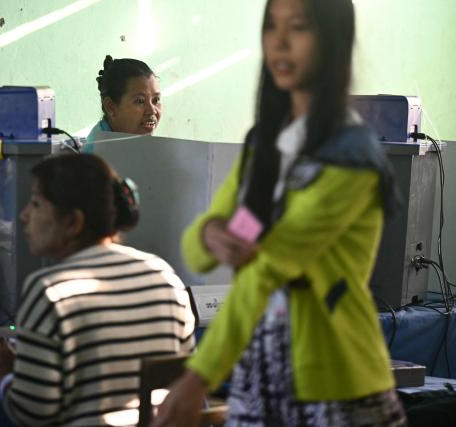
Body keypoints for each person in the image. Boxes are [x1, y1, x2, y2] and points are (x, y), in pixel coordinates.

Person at [151, 0, 407, 426]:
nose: (280, 43)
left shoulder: (351, 157)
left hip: (338, 382)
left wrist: (198, 378)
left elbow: (268, 267)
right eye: (271, 27)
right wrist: (214, 232)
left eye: (299, 28)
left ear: (333, 42)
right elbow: (199, 252)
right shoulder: (263, 145)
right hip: (260, 375)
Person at [0, 153, 195, 426]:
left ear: (73, 222)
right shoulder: (165, 275)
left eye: (36, 203)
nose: (23, 215)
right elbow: (187, 381)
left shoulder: (50, 290)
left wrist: (4, 373)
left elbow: (32, 413)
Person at [85, 55, 162, 148]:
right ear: (111, 107)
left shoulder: (128, 142)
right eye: (140, 101)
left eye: (155, 100)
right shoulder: (99, 156)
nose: (152, 110)